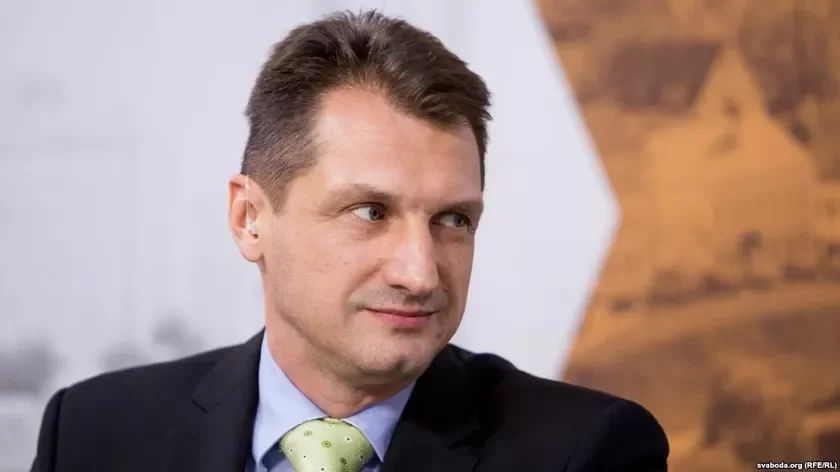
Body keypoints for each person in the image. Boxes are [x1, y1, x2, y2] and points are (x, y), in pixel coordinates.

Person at [30, 10, 668, 472]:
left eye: (453, 220)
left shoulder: (586, 452)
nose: (421, 274)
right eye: (370, 211)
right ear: (250, 218)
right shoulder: (92, 434)